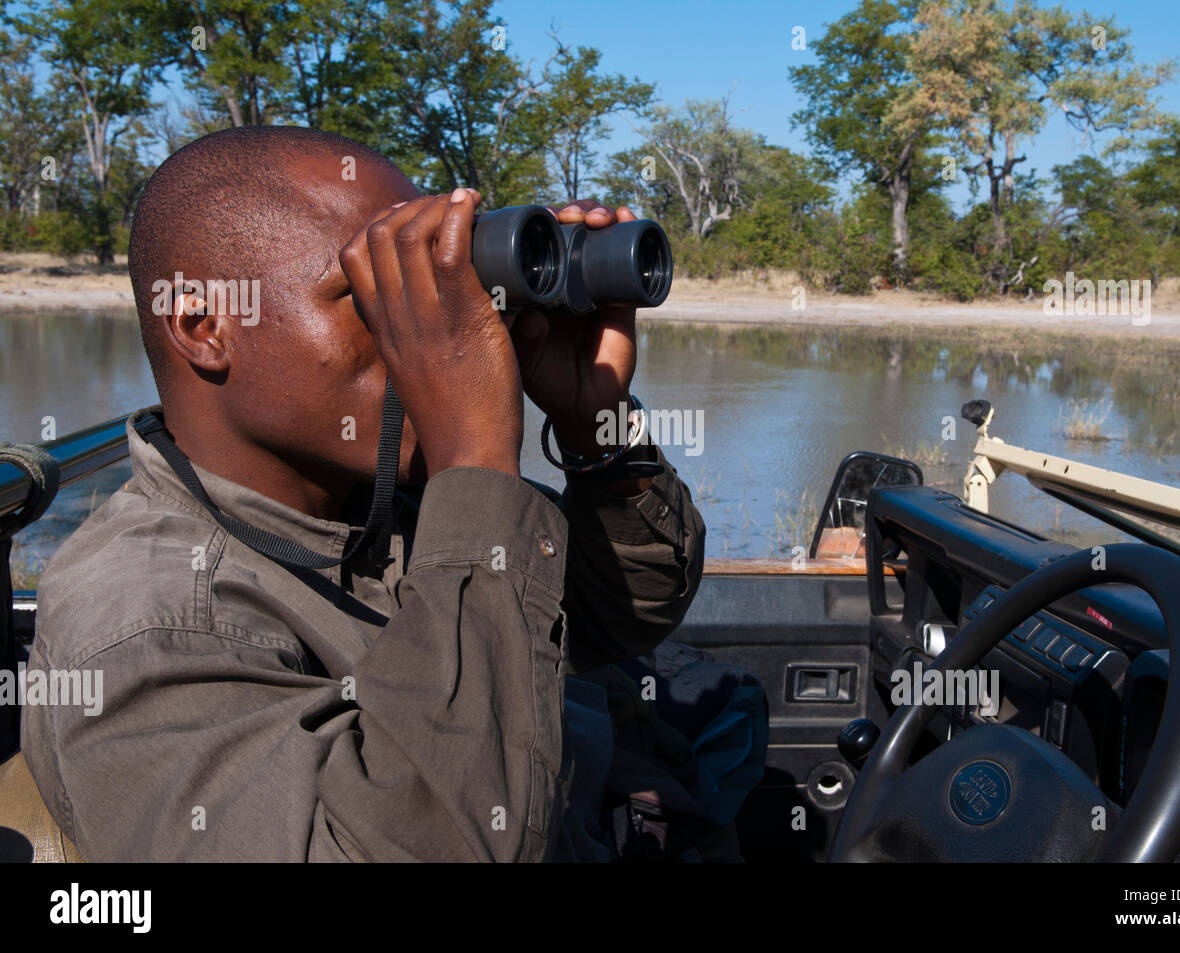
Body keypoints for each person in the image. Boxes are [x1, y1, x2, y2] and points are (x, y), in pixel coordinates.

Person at [21, 125, 706, 861]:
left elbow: (623, 616)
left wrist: (592, 429)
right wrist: (475, 452)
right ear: (204, 324)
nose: (422, 330)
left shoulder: (377, 507)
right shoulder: (147, 623)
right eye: (375, 296)